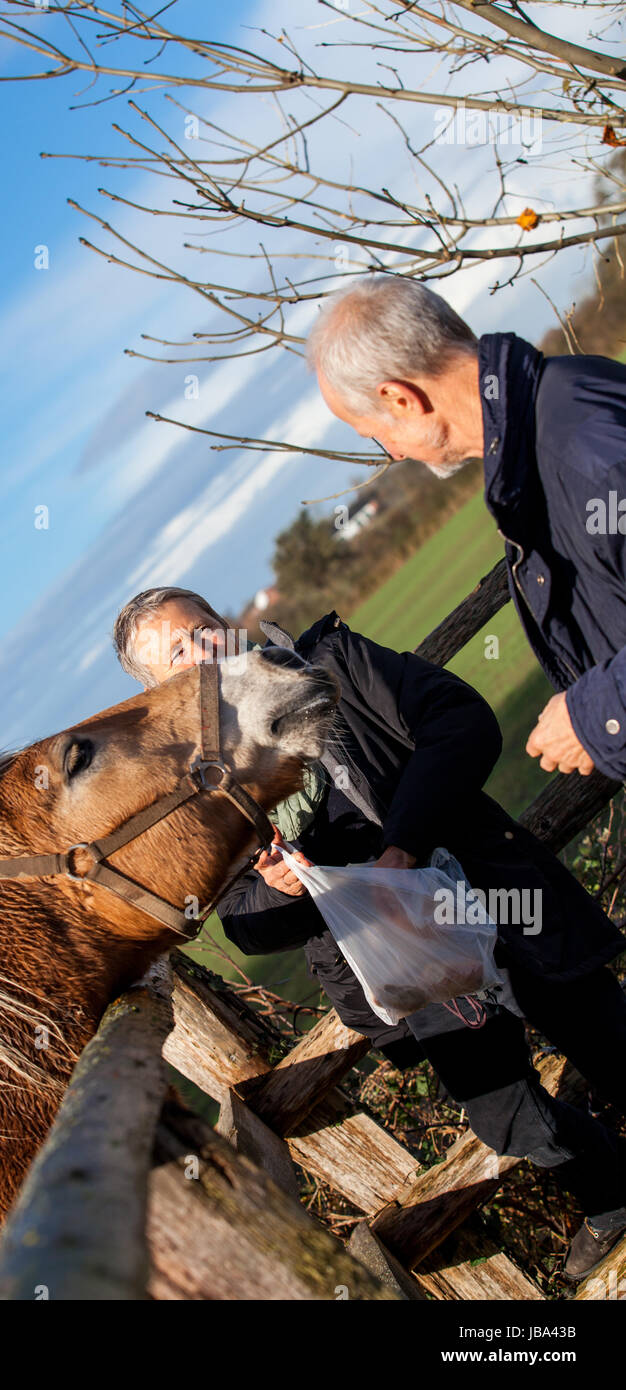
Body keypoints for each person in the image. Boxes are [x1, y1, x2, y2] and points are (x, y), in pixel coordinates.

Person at [113, 585, 626, 1280]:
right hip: (417, 976)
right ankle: (612, 1194)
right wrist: (279, 888)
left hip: (495, 895)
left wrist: (403, 844)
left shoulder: (330, 661)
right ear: (158, 689)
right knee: (507, 1118)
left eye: (204, 629)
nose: (205, 650)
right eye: (179, 651)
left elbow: (462, 721)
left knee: (606, 1033)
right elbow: (245, 926)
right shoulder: (203, 800)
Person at [306, 274, 626, 782]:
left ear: (400, 399)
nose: (392, 453)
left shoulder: (579, 448)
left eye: (376, 434)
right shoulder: (560, 403)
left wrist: (596, 715)